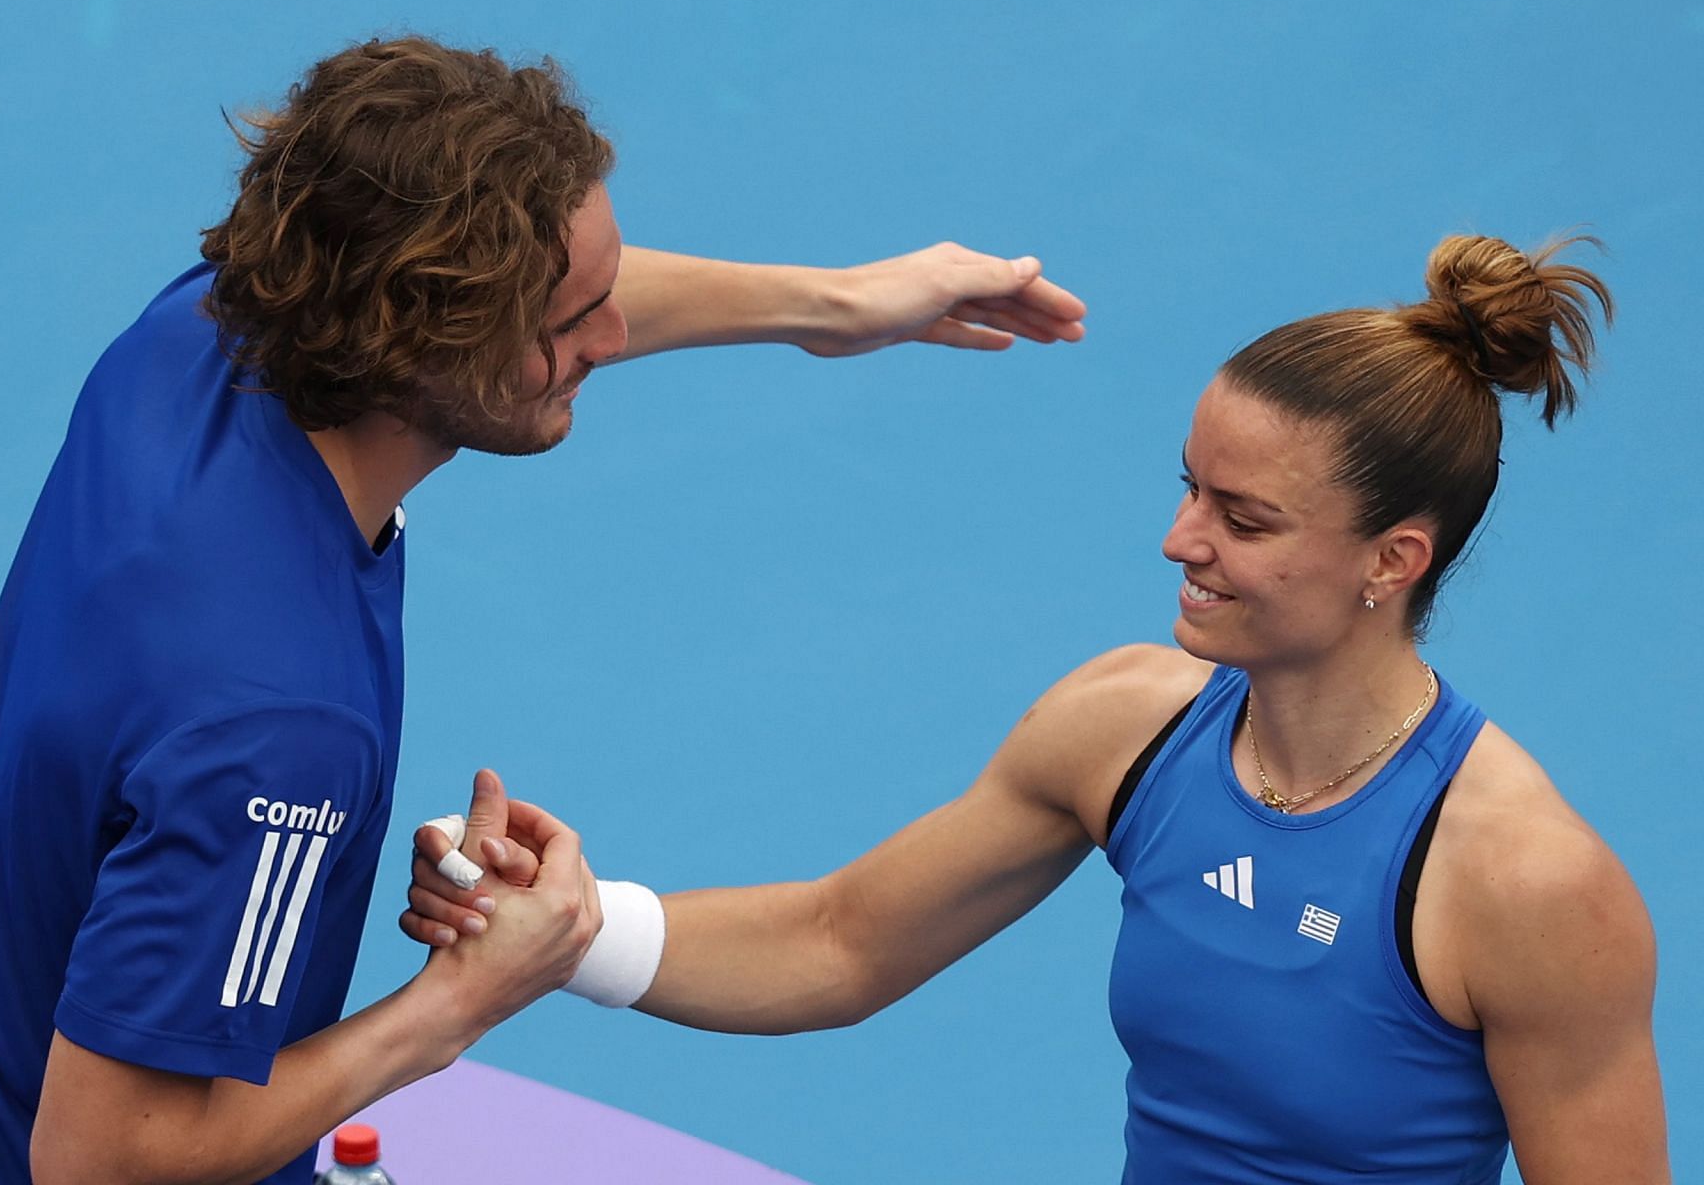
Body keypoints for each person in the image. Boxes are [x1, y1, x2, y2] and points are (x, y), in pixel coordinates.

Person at [0, 35, 1087, 1184]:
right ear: (425, 338)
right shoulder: (274, 724)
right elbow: (101, 1159)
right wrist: (459, 1002)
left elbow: (555, 295)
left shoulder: (201, 336)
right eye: (573, 322)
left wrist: (834, 304)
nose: (617, 337)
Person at [413, 234, 1670, 1183]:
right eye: (1192, 489)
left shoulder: (1526, 884)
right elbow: (842, 937)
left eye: (1244, 520)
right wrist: (568, 929)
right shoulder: (1125, 725)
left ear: (1392, 561)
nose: (1182, 541)